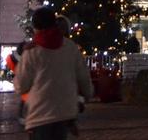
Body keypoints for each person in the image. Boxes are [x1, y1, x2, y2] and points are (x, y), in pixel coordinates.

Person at [14, 7, 92, 140]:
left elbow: (21, 86)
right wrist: (88, 94)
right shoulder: (70, 47)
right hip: (65, 114)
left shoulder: (32, 51)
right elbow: (83, 77)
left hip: (40, 115)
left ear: (35, 27)